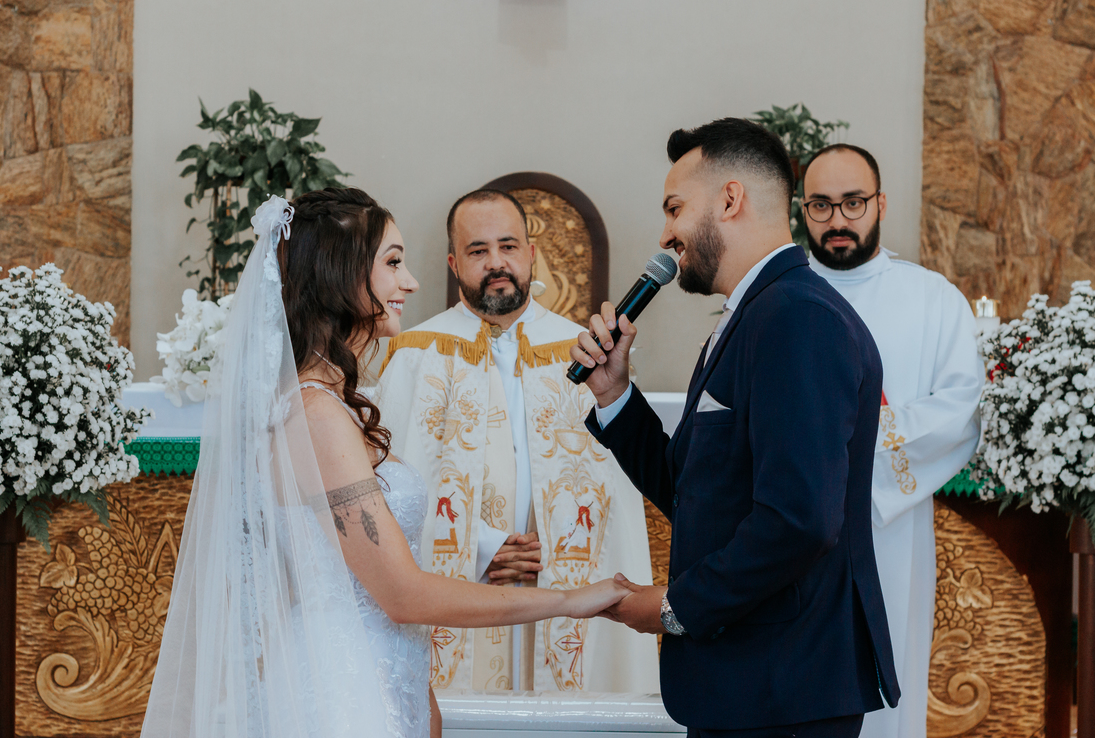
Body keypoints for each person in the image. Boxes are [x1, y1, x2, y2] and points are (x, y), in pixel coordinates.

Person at [141, 188, 629, 738]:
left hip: (377, 678)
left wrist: (418, 698)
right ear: (340, 276)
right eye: (393, 263)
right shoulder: (315, 415)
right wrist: (567, 600)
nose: (411, 282)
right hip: (339, 697)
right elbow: (401, 594)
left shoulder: (330, 404)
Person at [571, 117, 900, 738]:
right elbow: (696, 491)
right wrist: (614, 394)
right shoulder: (755, 314)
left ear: (729, 199)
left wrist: (675, 608)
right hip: (753, 683)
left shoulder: (796, 316)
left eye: (674, 208)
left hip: (783, 686)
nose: (665, 235)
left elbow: (799, 519)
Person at [375, 189, 658, 693]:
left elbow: (614, 501)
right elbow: (391, 491)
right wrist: (480, 547)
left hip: (560, 577)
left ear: (530, 253)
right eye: (477, 250)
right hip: (467, 590)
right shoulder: (415, 355)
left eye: (508, 246)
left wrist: (557, 542)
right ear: (453, 264)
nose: (496, 263)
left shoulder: (586, 353)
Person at [802, 144, 982, 738]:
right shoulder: (775, 297)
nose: (838, 220)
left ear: (880, 203)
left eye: (853, 202)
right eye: (821, 205)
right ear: (803, 211)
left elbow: (960, 408)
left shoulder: (933, 299)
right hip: (789, 529)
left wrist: (854, 459)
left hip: (889, 526)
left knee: (887, 685)